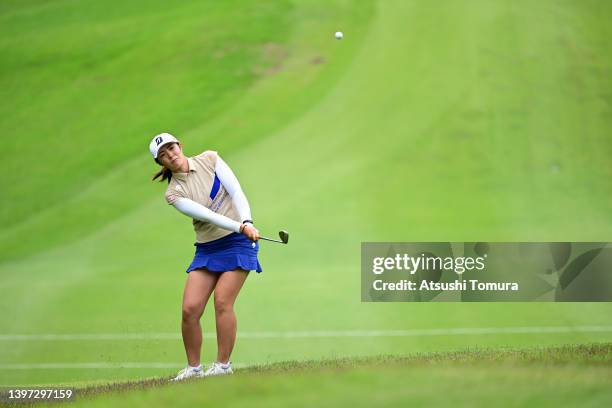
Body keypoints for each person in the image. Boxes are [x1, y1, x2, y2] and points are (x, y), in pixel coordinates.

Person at [149, 132, 261, 381]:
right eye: (163, 155)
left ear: (180, 146)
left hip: (238, 242)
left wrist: (247, 221)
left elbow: (236, 191)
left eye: (172, 148)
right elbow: (206, 215)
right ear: (161, 163)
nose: (170, 155)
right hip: (209, 247)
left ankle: (222, 366)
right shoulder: (174, 193)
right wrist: (240, 226)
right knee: (190, 310)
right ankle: (194, 369)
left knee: (222, 302)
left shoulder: (210, 158)